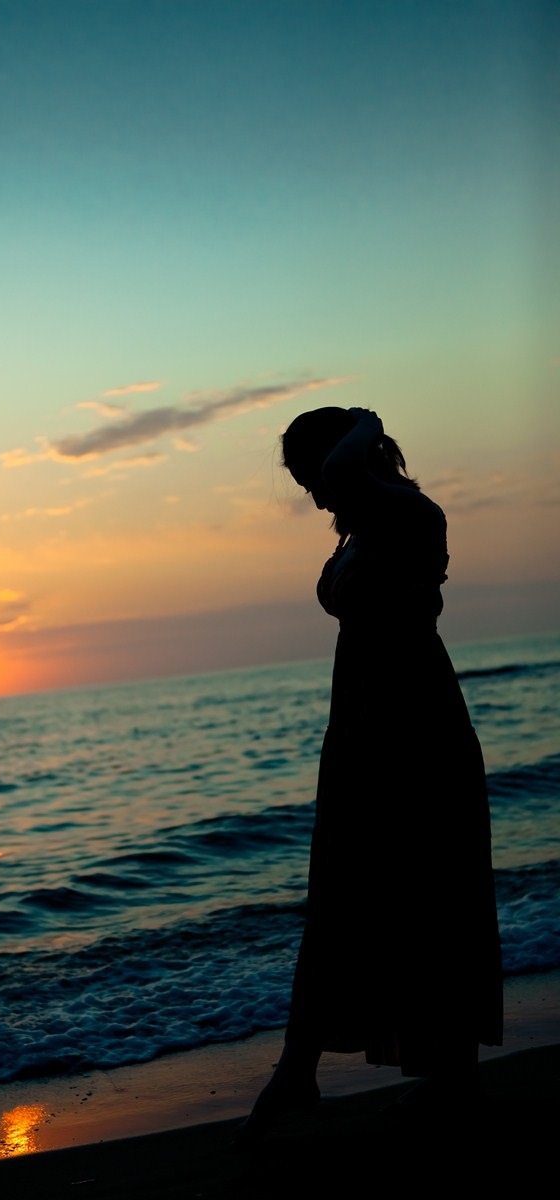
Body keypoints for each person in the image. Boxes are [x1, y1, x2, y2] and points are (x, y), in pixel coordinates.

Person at [236, 406, 502, 1141]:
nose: (314, 493)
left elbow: (342, 468)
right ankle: (305, 1073)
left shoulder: (413, 514)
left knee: (433, 899)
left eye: (312, 476)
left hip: (417, 730)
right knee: (346, 899)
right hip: (360, 734)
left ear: (352, 456)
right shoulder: (359, 532)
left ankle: (442, 1083)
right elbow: (339, 476)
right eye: (303, 482)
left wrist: (363, 420)